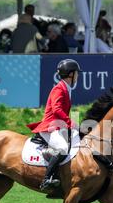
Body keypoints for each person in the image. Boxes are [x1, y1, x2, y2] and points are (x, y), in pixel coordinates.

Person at [26, 59, 82, 191]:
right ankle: (46, 180)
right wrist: (70, 122)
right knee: (62, 148)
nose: (78, 76)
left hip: (59, 126)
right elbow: (56, 110)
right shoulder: (59, 88)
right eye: (76, 73)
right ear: (70, 74)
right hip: (50, 127)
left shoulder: (66, 88)